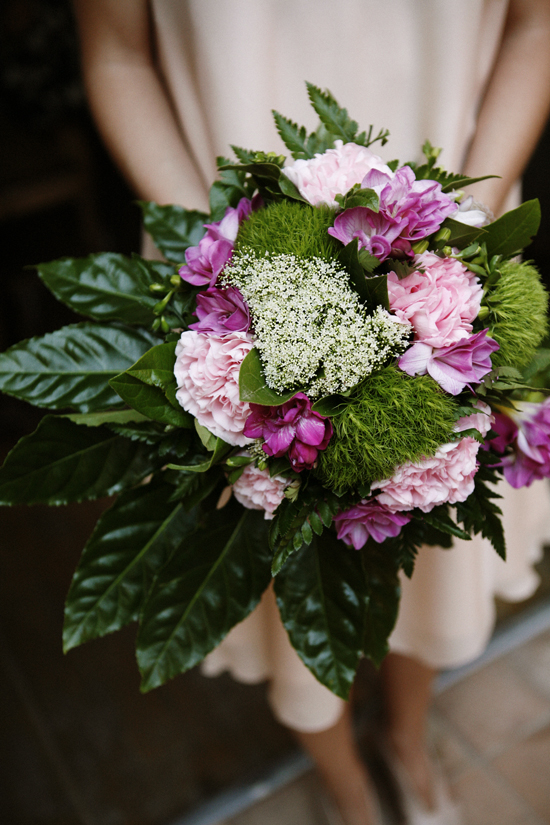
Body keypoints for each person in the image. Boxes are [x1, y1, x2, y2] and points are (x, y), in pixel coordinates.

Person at [72, 2, 550, 823]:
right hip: (227, 276)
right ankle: (350, 790)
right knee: (282, 574)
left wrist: (465, 228)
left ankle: (406, 739)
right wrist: (222, 251)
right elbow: (118, 55)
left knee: (435, 531)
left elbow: (534, 27)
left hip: (444, 264)